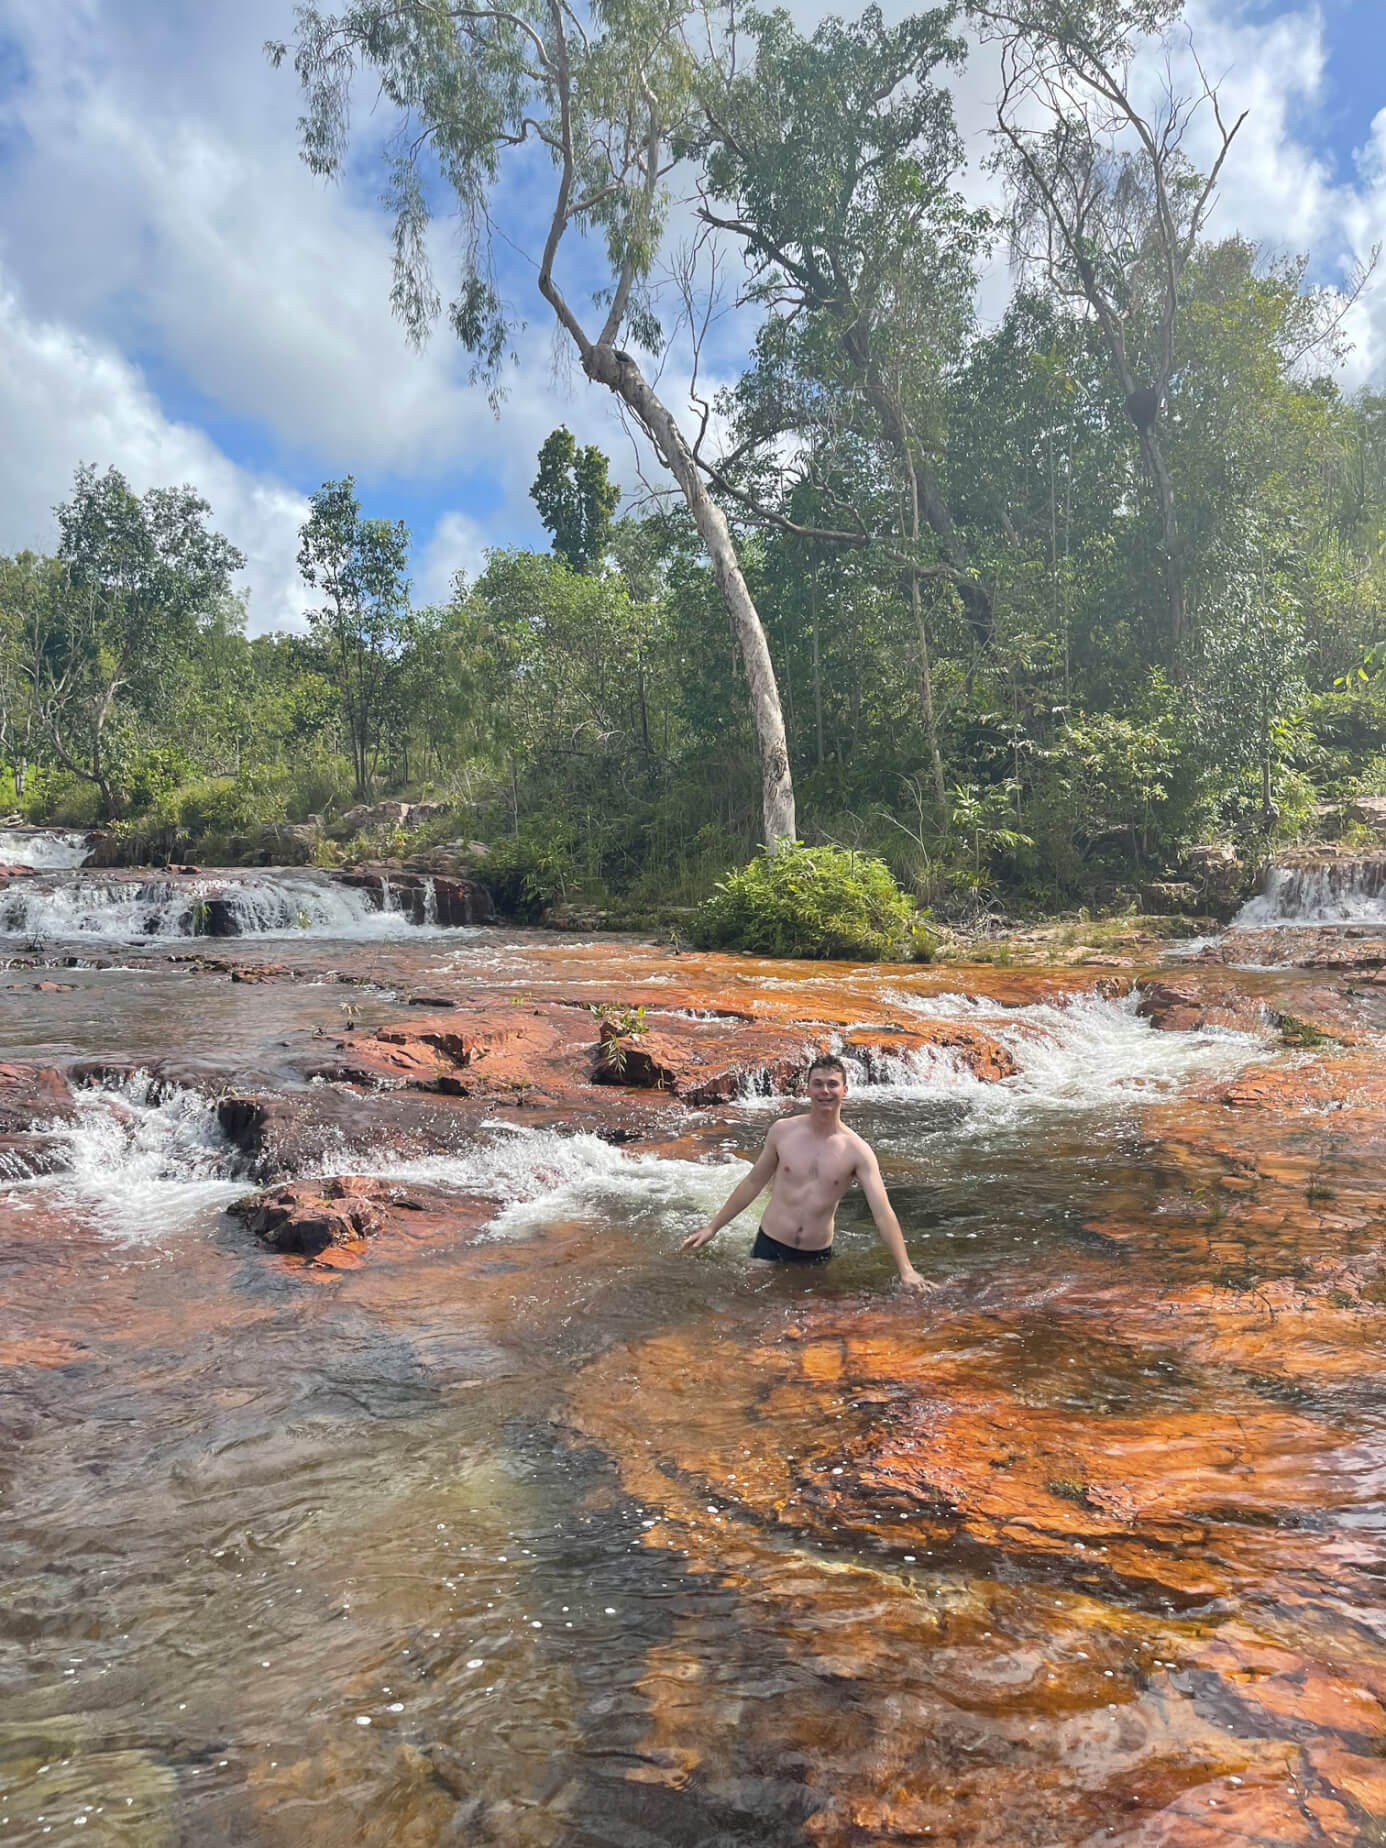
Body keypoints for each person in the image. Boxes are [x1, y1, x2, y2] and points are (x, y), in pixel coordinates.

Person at [680, 1053, 932, 1292]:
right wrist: (713, 1228)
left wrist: (906, 1269)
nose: (824, 1091)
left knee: (809, 1325)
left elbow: (883, 1214)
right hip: (769, 1243)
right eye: (818, 1084)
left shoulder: (858, 1151)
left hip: (815, 1254)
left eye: (832, 1084)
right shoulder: (782, 1131)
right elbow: (753, 1182)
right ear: (807, 1089)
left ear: (844, 1091)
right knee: (748, 1308)